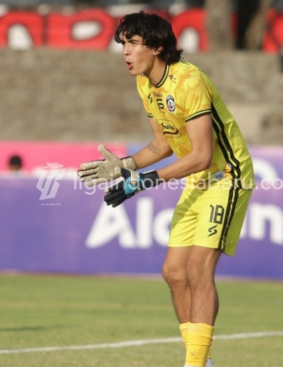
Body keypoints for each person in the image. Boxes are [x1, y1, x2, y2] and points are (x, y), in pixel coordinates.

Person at [77, 11, 255, 367]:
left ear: (157, 47)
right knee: (174, 272)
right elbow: (162, 146)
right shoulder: (145, 82)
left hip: (227, 176)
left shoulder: (189, 82)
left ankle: (194, 363)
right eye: (123, 44)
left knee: (198, 268)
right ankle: (202, 361)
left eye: (132, 43)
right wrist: (125, 166)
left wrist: (148, 180)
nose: (125, 52)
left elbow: (203, 155)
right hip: (198, 179)